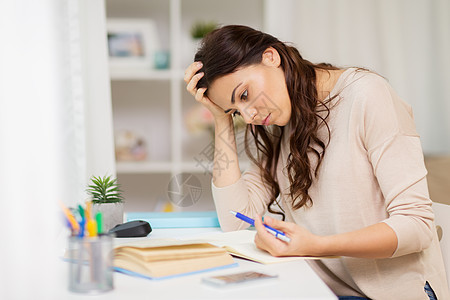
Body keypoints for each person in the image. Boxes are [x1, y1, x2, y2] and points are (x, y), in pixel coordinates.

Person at [184, 25, 449, 300]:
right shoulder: (281, 121)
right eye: (236, 110)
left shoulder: (367, 95)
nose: (248, 116)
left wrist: (315, 245)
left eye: (245, 95)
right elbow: (234, 220)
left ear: (271, 57)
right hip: (322, 291)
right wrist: (221, 119)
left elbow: (417, 226)